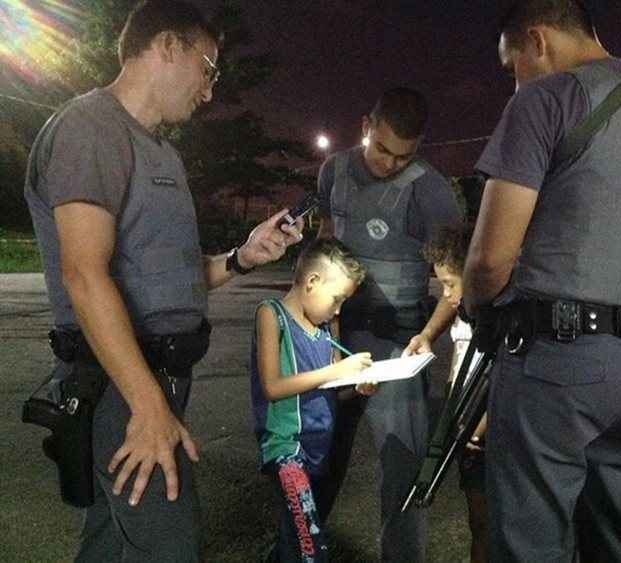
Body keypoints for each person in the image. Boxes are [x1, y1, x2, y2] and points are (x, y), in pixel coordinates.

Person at [23, 2, 303, 561]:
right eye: (209, 68)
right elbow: (83, 272)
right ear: (169, 46)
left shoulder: (162, 152)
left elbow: (173, 279)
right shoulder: (91, 127)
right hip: (119, 386)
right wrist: (149, 406)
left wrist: (244, 257)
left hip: (155, 382)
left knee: (109, 544)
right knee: (169, 548)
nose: (209, 90)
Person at [463, 1, 621, 562]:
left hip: (555, 360)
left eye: (512, 67)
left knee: (530, 540)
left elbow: (487, 261)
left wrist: (476, 307)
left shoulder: (544, 100)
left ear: (537, 41)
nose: (514, 84)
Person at [316, 87, 462, 561]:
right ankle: (297, 548)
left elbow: (453, 285)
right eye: (382, 149)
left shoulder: (432, 192)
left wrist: (427, 336)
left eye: (404, 155)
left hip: (400, 343)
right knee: (316, 457)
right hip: (336, 338)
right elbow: (323, 242)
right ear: (365, 127)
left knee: (402, 471)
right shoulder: (333, 171)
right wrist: (319, 317)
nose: (390, 163)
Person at [250, 238, 376, 562]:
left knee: (294, 540)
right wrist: (338, 371)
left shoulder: (326, 330)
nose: (338, 310)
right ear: (312, 281)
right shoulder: (271, 314)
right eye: (337, 300)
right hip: (287, 450)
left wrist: (356, 386)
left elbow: (331, 389)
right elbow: (273, 387)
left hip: (319, 448)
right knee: (311, 548)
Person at [423, 225, 488, 563]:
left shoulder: (500, 319)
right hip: (468, 436)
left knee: (499, 524)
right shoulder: (464, 314)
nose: (446, 295)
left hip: (493, 439)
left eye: (450, 284)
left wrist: (480, 424)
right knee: (478, 523)